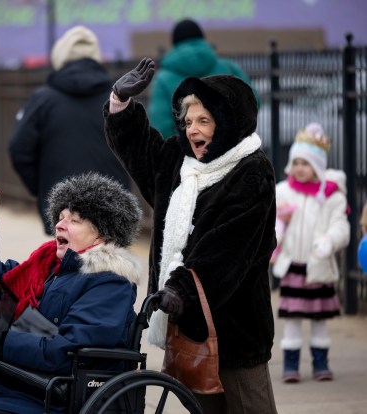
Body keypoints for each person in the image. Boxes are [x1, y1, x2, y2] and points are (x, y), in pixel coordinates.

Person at [104, 58, 278, 413]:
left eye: (204, 121)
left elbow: (225, 249)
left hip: (236, 331)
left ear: (229, 123)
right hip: (189, 329)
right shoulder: (180, 164)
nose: (193, 130)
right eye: (187, 122)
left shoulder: (251, 171)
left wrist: (179, 290)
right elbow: (141, 152)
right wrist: (119, 102)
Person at [0, 172, 143, 414]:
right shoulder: (48, 265)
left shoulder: (110, 284)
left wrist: (3, 343)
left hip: (55, 396)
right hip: (19, 381)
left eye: (74, 220)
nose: (59, 224)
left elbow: (67, 350)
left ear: (102, 234)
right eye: (60, 217)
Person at [8, 25, 131, 235]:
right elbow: (136, 149)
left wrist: (43, 188)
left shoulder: (43, 100)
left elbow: (19, 149)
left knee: (62, 265)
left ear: (60, 57)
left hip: (62, 209)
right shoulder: (117, 99)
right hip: (111, 207)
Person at [271, 123, 350, 383]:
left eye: (306, 163)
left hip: (319, 267)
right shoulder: (283, 192)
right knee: (292, 318)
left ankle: (320, 362)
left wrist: (330, 240)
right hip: (293, 266)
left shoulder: (331, 196)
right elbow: (273, 222)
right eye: (296, 162)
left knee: (319, 319)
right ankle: (291, 365)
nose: (300, 168)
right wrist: (278, 227)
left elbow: (341, 225)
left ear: (318, 166)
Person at [148, 18, 257, 140]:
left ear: (174, 44)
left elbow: (161, 124)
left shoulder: (163, 79)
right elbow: (253, 102)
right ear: (202, 38)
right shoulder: (228, 67)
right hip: (230, 148)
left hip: (186, 153)